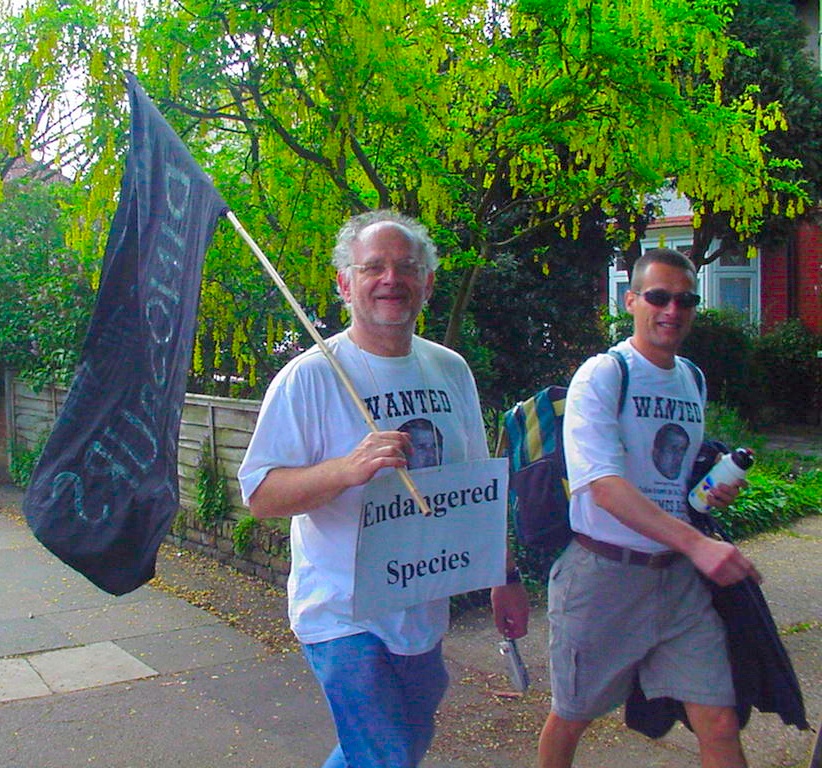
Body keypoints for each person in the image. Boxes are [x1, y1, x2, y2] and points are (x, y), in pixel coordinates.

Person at [238, 209, 529, 768]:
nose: (391, 279)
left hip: (421, 605)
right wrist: (346, 470)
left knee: (394, 748)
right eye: (373, 267)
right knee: (388, 757)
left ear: (428, 282)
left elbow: (474, 489)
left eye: (406, 267)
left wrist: (505, 577)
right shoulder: (310, 376)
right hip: (341, 612)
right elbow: (261, 495)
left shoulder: (450, 370)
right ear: (345, 284)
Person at [538, 248, 762, 768]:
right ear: (632, 299)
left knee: (720, 720)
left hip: (677, 580)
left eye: (685, 300)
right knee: (572, 716)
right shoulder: (604, 374)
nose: (672, 310)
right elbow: (603, 486)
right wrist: (699, 545)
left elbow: (672, 476)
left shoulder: (692, 378)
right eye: (658, 297)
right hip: (603, 577)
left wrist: (712, 489)